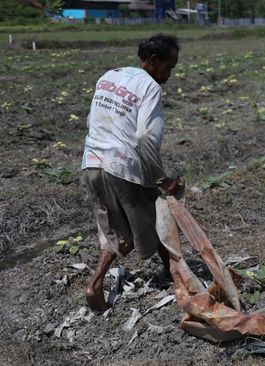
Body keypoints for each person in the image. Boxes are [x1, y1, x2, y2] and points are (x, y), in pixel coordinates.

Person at [81, 34, 183, 311]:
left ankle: (95, 285)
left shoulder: (109, 76)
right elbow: (145, 137)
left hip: (91, 163)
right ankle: (176, 276)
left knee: (114, 230)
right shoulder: (150, 87)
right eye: (168, 67)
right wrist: (161, 180)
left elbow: (92, 120)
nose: (169, 75)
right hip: (122, 167)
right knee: (157, 219)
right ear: (153, 60)